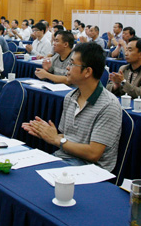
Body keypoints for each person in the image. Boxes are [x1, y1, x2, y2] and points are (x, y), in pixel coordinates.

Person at [22, 42, 122, 172]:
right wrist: (46, 133)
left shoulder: (108, 105)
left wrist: (56, 139)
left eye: (72, 64)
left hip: (90, 169)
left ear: (87, 71)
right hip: (64, 158)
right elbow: (67, 137)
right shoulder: (70, 97)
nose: (67, 68)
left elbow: (93, 154)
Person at [107, 38, 141, 104]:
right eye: (126, 50)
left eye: (130, 50)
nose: (126, 54)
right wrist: (116, 85)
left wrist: (123, 82)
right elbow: (108, 88)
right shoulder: (123, 68)